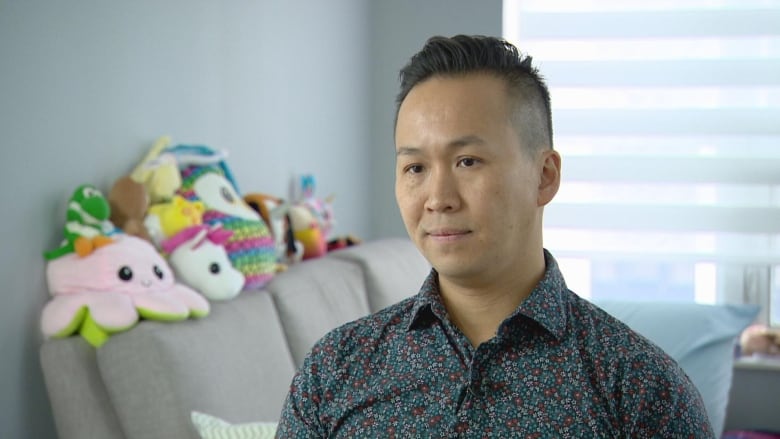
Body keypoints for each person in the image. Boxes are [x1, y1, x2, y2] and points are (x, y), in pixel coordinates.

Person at [277, 34, 714, 438]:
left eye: (468, 161)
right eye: (415, 168)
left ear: (544, 176)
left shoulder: (641, 390)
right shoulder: (334, 369)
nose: (438, 199)